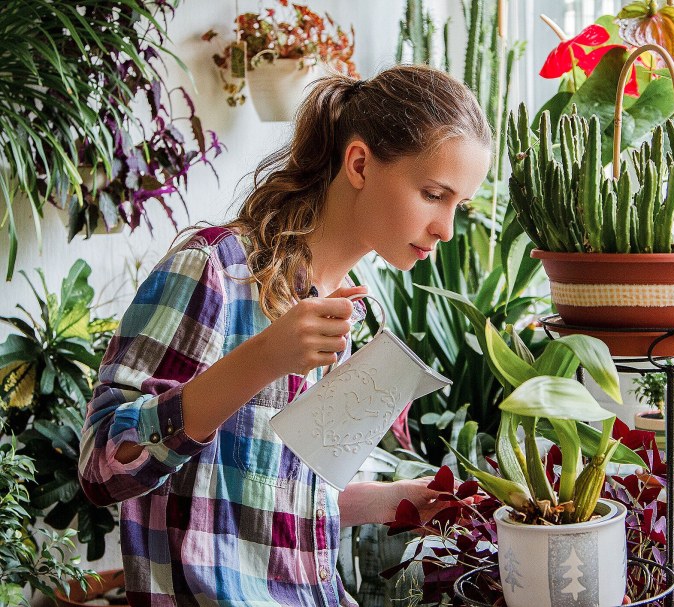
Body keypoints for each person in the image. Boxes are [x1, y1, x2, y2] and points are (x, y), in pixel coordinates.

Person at [79, 64, 492, 606]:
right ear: (360, 164)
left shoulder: (346, 312)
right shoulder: (215, 272)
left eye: (459, 205)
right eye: (434, 194)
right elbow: (103, 467)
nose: (447, 229)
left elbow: (264, 500)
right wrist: (263, 358)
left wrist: (389, 501)